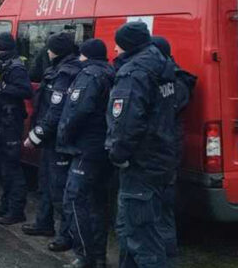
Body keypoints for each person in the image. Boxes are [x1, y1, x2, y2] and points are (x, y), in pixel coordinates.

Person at [105, 22, 178, 268]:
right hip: (162, 158)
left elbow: (126, 123)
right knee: (143, 231)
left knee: (141, 238)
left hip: (141, 165)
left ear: (127, 45)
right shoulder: (161, 62)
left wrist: (118, 154)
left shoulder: (134, 72)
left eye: (117, 43)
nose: (114, 48)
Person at [56, 39, 114, 268]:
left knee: (75, 199)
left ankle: (85, 255)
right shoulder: (113, 72)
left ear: (85, 56)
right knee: (99, 201)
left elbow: (77, 111)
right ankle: (98, 254)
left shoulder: (89, 75)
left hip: (86, 147)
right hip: (105, 146)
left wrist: (64, 136)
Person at [23, 32, 83, 253]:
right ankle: (44, 223)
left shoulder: (67, 73)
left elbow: (55, 112)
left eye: (48, 49)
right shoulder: (57, 70)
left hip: (59, 140)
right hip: (50, 140)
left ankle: (65, 235)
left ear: (55, 51)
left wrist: (36, 134)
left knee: (59, 189)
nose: (46, 52)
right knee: (45, 182)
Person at [149, 36, 196, 260]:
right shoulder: (176, 79)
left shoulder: (171, 82)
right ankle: (168, 252)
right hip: (169, 149)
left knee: (159, 209)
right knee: (164, 209)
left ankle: (164, 255)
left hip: (163, 151)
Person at [0, 32, 33, 226]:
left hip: (11, 121)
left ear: (2, 46)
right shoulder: (5, 63)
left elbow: (25, 91)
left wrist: (2, 88)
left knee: (12, 167)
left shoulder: (16, 67)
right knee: (4, 166)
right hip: (3, 120)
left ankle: (16, 210)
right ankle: (6, 204)